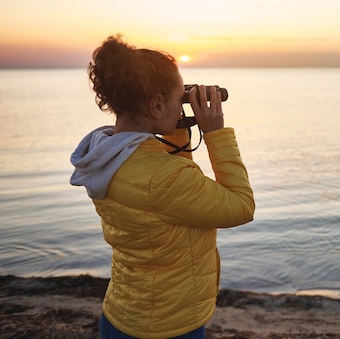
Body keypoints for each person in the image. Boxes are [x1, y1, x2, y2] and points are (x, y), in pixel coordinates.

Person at [70, 35, 254, 338]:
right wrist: (216, 134)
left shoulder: (108, 157)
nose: (181, 102)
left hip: (121, 314)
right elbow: (241, 207)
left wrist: (178, 129)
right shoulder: (165, 178)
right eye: (178, 97)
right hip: (168, 327)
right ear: (155, 105)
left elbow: (170, 199)